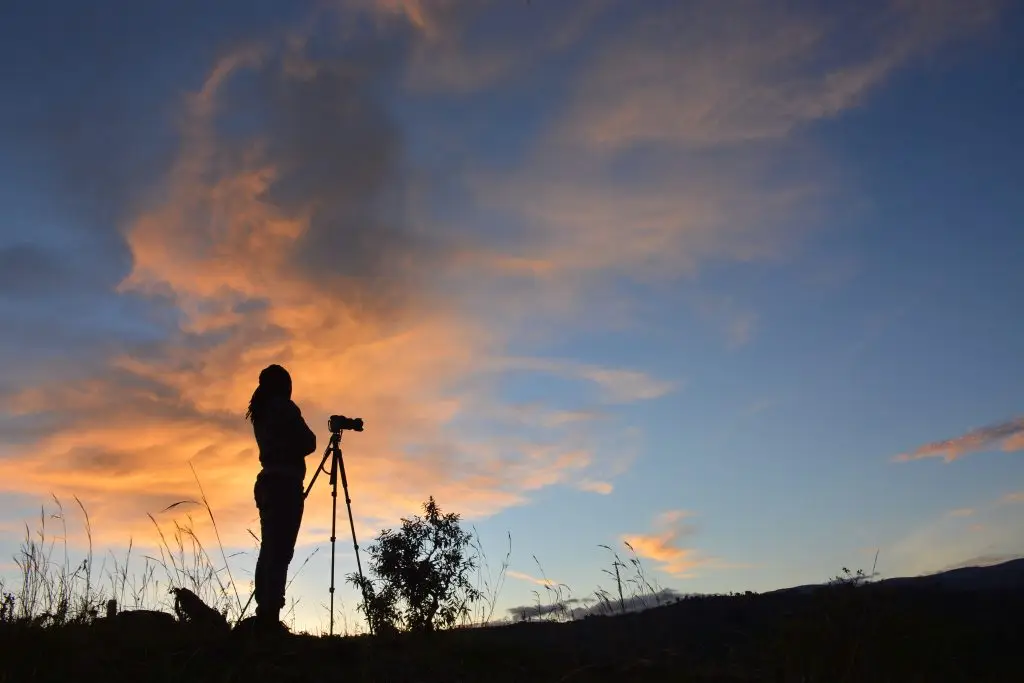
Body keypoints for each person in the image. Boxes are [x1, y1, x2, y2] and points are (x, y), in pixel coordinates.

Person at [245, 364, 317, 631]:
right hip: (285, 483)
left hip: (267, 483)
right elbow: (309, 442)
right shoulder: (284, 408)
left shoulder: (260, 410)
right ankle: (270, 614)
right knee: (281, 551)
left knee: (269, 549)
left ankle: (265, 608)